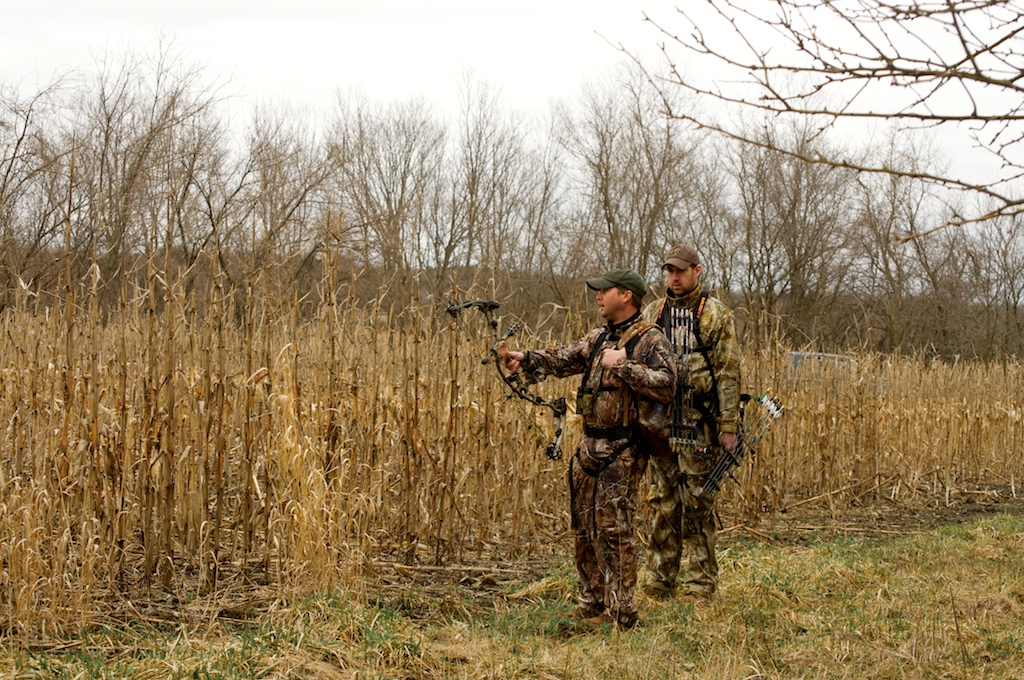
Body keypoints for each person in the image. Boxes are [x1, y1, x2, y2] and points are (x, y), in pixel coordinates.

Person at [503, 268, 676, 629]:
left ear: (626, 295)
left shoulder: (649, 339)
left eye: (604, 291)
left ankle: (621, 612)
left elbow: (667, 386)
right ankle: (591, 602)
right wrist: (527, 358)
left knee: (615, 532)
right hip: (587, 447)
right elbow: (564, 357)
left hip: (623, 448)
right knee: (584, 528)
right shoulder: (599, 338)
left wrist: (625, 366)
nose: (597, 297)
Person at [642, 244, 741, 603]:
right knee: (662, 500)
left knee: (698, 501)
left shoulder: (714, 315)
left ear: (697, 271)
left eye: (681, 271)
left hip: (699, 423)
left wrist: (727, 426)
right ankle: (659, 579)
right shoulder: (654, 312)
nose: (674, 277)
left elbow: (728, 374)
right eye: (669, 271)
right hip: (661, 424)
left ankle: (701, 584)